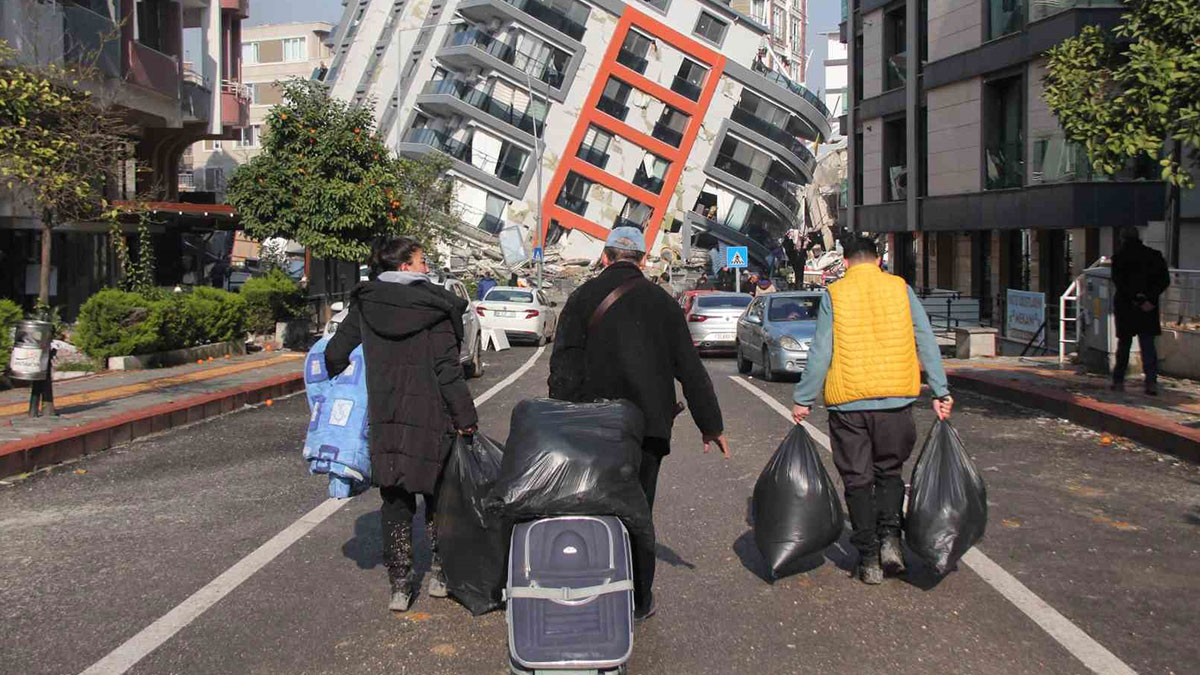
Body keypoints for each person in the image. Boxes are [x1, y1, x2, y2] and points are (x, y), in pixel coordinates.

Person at [549, 226, 729, 621]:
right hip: (647, 428)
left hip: (591, 426)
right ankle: (638, 598)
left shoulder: (581, 298)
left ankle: (590, 585)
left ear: (605, 257)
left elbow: (563, 364)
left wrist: (560, 416)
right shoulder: (663, 303)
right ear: (644, 261)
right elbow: (689, 367)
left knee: (590, 506)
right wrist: (710, 425)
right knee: (638, 510)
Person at [325, 236, 478, 612]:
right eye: (422, 261)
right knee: (440, 496)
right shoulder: (436, 306)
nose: (427, 268)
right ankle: (441, 574)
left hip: (386, 417)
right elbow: (446, 369)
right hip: (433, 417)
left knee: (395, 498)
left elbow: (334, 353)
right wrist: (466, 418)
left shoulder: (366, 302)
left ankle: (399, 583)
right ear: (406, 266)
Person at [791, 235, 953, 585]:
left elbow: (820, 352)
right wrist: (940, 390)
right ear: (879, 260)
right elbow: (925, 339)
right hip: (896, 401)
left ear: (845, 263)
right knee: (889, 473)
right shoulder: (900, 289)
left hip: (848, 405)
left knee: (857, 479)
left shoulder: (835, 294)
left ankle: (867, 558)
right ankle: (891, 539)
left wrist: (804, 398)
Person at [1111, 225, 1170, 395]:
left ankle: (1119, 380)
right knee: (1148, 345)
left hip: (1126, 307)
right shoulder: (1154, 256)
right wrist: (1149, 299)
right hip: (1148, 308)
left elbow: (1120, 283)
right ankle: (1151, 382)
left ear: (1122, 238)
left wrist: (1136, 298)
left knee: (1124, 345)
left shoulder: (1119, 257)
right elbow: (1164, 280)